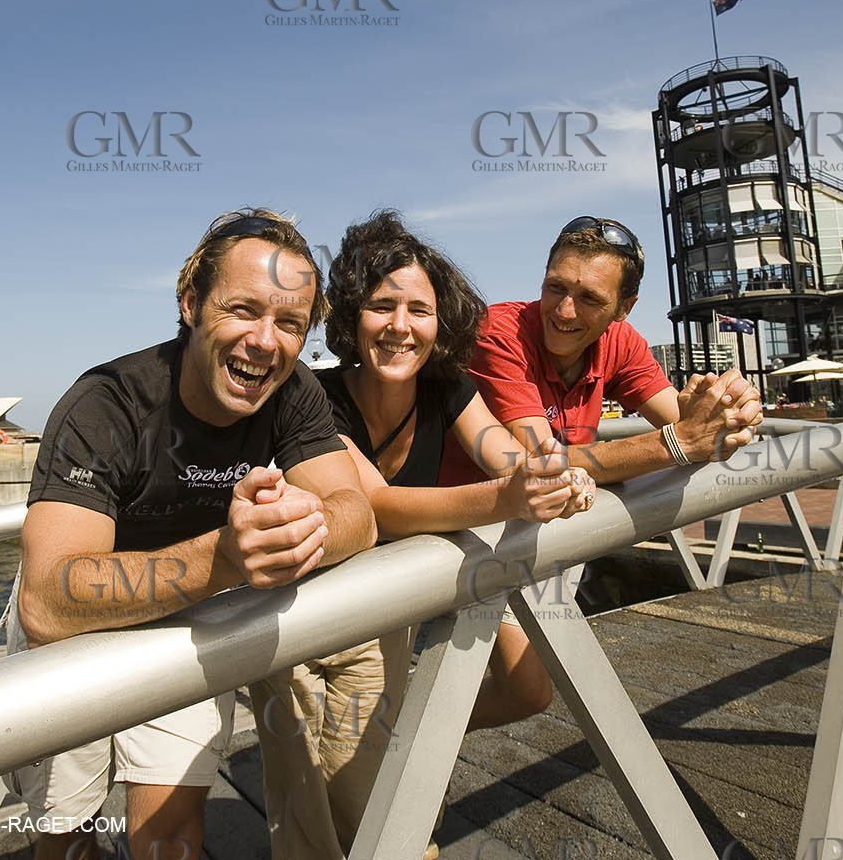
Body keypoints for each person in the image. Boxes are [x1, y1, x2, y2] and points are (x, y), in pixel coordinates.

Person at [2, 208, 378, 860]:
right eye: (244, 310)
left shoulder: (293, 393)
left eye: (290, 322)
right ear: (190, 304)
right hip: (77, 631)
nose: (266, 340)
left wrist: (301, 522)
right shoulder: (107, 402)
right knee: (67, 837)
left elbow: (358, 512)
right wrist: (227, 555)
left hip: (186, 621)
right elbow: (44, 599)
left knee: (172, 840)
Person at [251, 211, 594, 859]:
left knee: (373, 797)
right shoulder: (314, 398)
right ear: (353, 314)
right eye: (383, 305)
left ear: (442, 321)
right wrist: (505, 495)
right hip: (291, 614)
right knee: (300, 806)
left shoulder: (448, 387)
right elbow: (376, 506)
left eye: (419, 308)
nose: (401, 325)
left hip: (381, 615)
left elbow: (501, 450)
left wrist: (555, 474)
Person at [440, 214, 764, 724]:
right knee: (528, 690)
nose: (565, 311)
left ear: (624, 308)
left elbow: (684, 420)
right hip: (465, 536)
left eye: (590, 298)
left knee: (526, 693)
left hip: (538, 534)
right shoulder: (499, 330)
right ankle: (391, 742)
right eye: (556, 288)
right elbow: (541, 463)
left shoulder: (623, 341)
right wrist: (678, 443)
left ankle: (391, 739)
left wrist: (726, 409)